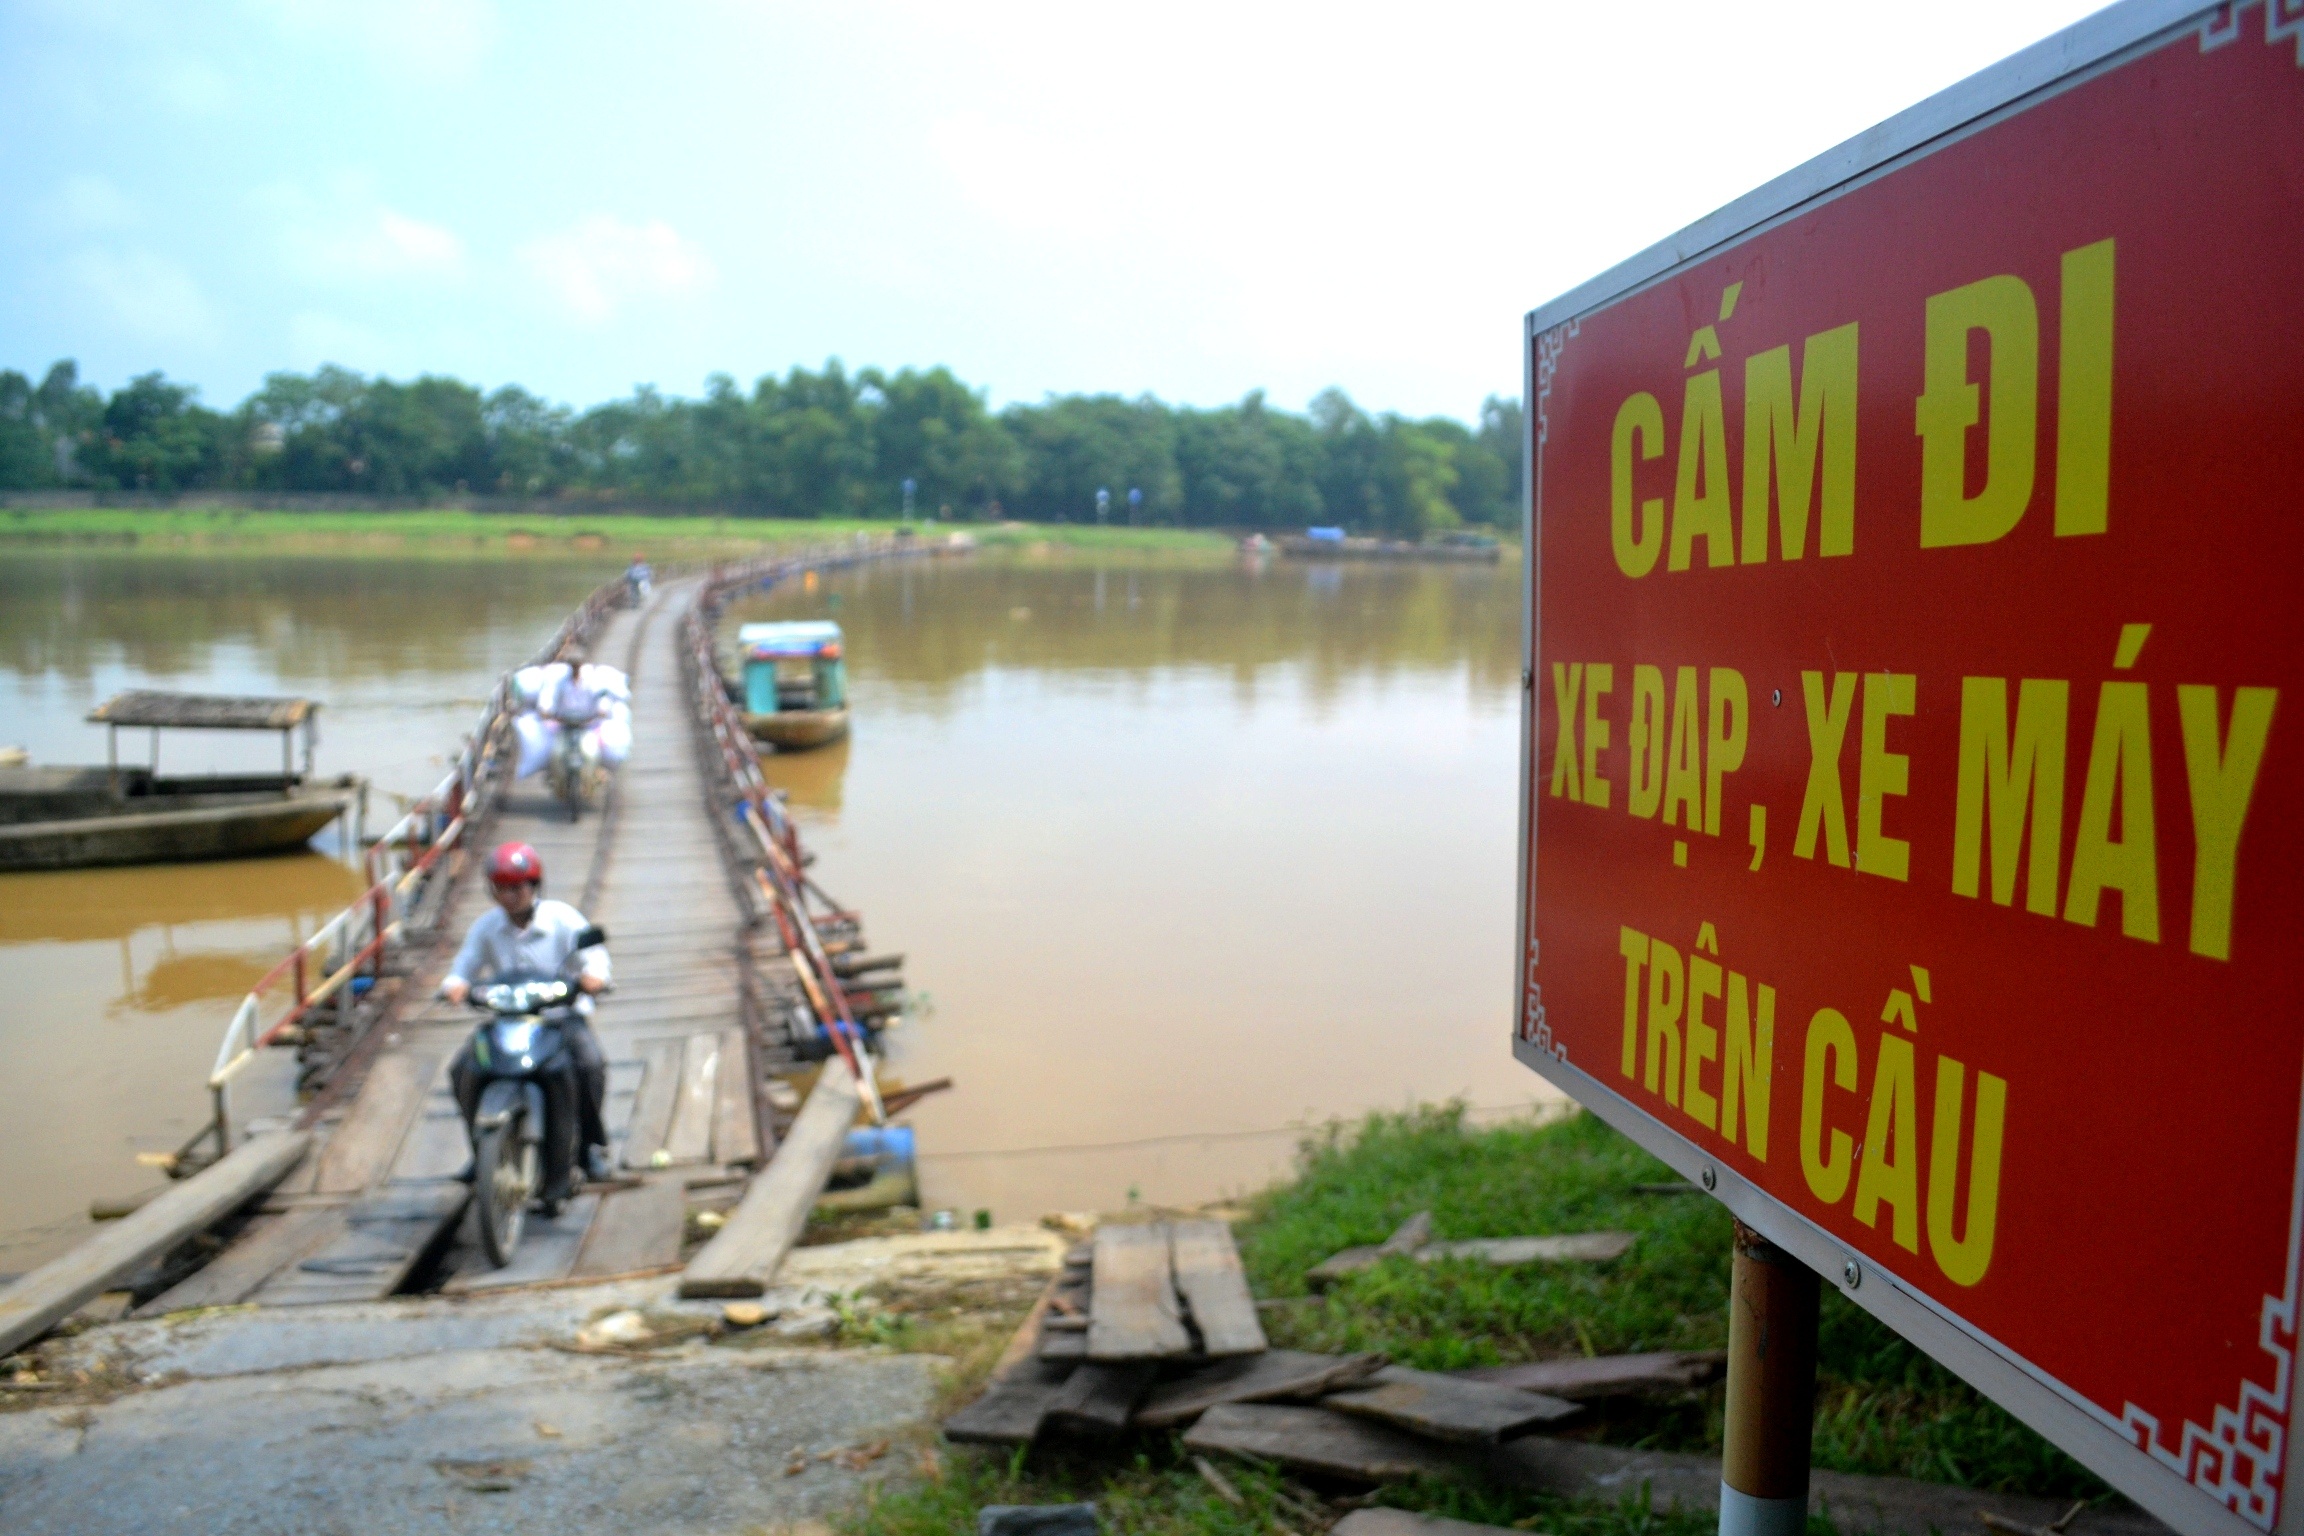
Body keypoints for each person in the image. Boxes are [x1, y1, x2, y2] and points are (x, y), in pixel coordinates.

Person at [441, 841, 614, 1182]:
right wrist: (455, 986)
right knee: (462, 1070)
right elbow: (462, 968)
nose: (510, 896)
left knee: (590, 1064)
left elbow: (595, 958)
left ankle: (588, 1148)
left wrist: (594, 977)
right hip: (508, 1020)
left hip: (560, 1020)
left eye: (517, 887)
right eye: (502, 888)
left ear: (534, 885)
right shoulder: (486, 928)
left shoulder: (563, 918)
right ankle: (483, 1150)